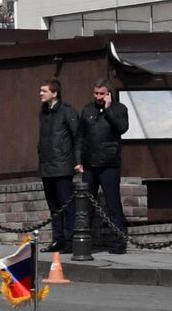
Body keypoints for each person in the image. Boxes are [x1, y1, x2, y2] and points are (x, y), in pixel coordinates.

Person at [79, 78, 130, 254]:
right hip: (89, 164)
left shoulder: (119, 109)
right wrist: (79, 161)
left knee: (113, 204)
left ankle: (119, 242)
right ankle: (84, 241)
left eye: (102, 94)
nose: (98, 97)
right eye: (96, 93)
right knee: (86, 204)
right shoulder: (87, 110)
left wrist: (108, 110)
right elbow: (81, 136)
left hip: (109, 163)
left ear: (109, 94)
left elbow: (122, 128)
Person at [37, 78, 81, 252]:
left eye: (44, 90)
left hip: (62, 166)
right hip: (47, 165)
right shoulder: (44, 112)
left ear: (54, 93)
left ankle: (70, 240)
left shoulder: (66, 111)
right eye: (40, 90)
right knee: (53, 206)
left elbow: (78, 136)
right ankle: (58, 239)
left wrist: (78, 161)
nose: (41, 93)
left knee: (67, 204)